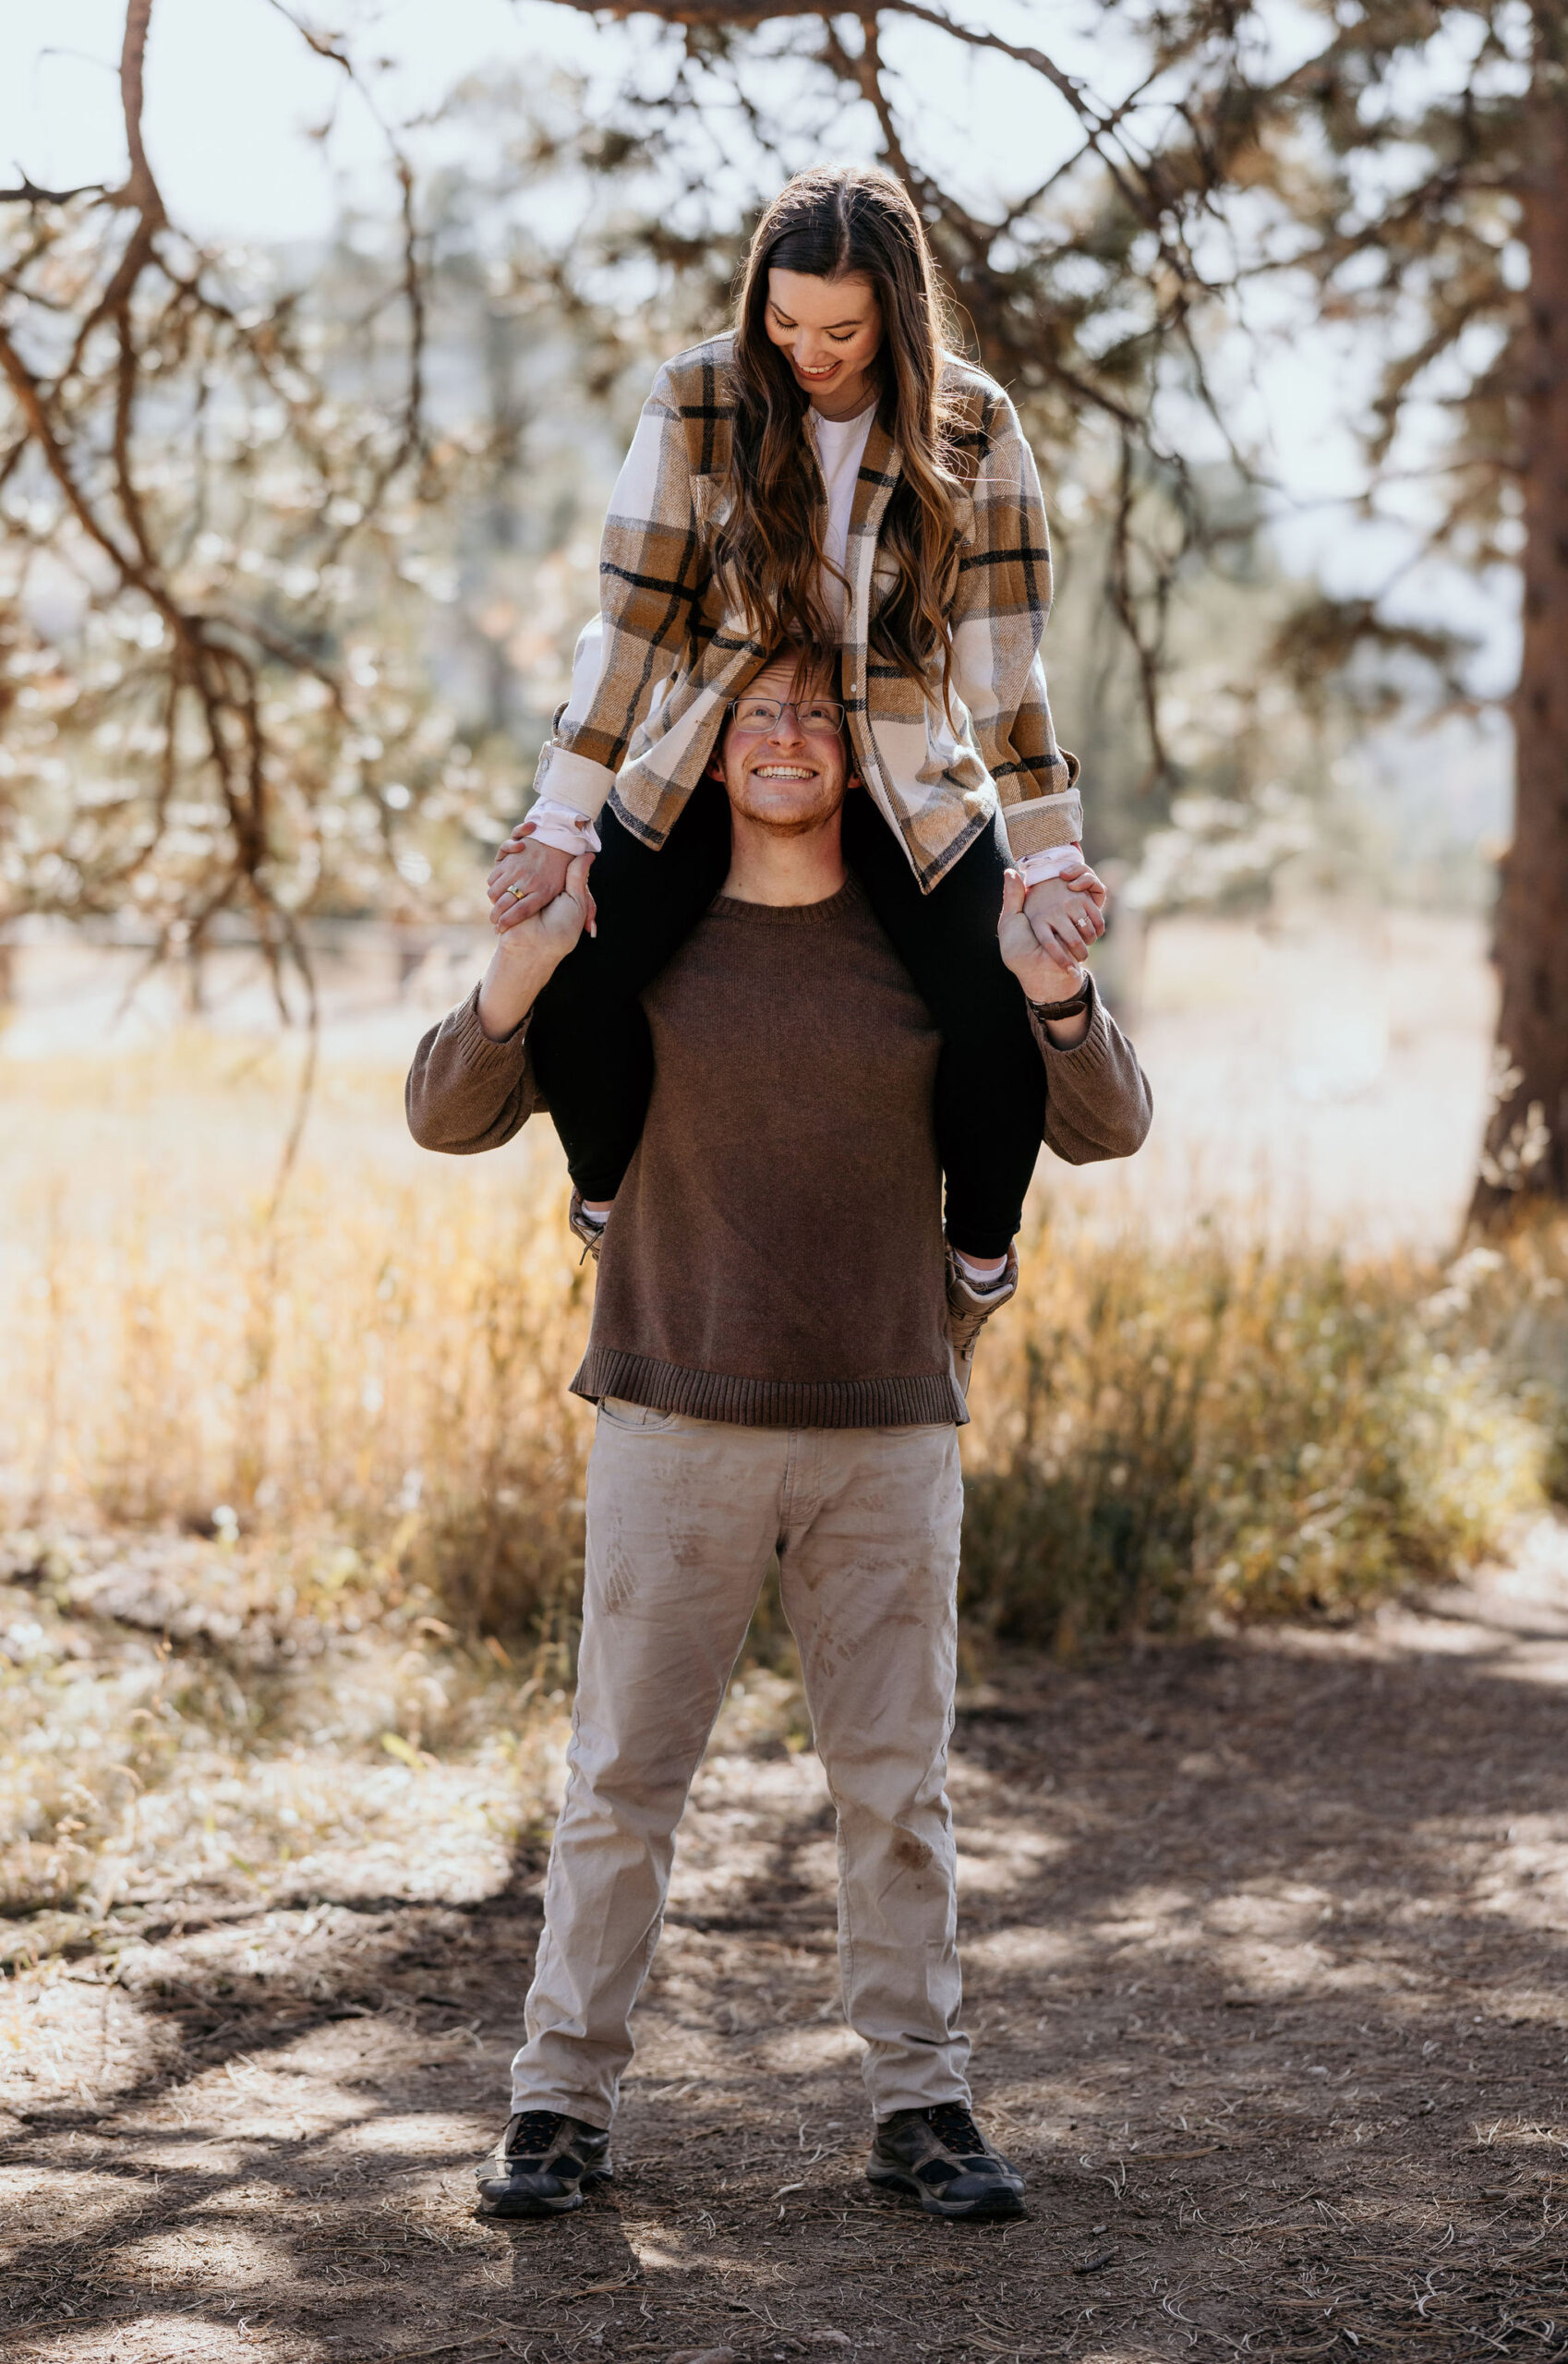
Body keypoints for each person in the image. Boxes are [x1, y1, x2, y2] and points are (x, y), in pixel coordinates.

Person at [405, 648, 1152, 2224]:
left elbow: (1108, 1120)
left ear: (863, 751)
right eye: (758, 714)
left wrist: (1051, 988)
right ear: (711, 753)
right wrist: (527, 961)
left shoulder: (941, 946)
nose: (791, 735)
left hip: (886, 1425)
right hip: (674, 1418)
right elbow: (444, 1109)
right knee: (622, 1778)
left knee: (898, 1788)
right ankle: (555, 2107)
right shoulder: (639, 948)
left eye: (818, 711)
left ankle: (920, 2104)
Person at [485, 163, 1105, 1293]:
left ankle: (975, 1261)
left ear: (897, 319)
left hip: (902, 768)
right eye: (784, 320)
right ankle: (612, 1203)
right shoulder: (697, 398)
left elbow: (1003, 662)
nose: (808, 352)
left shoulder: (971, 422)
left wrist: (1050, 850)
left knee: (991, 999)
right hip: (711, 752)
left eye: (841, 330)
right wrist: (560, 821)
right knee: (581, 968)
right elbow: (633, 622)